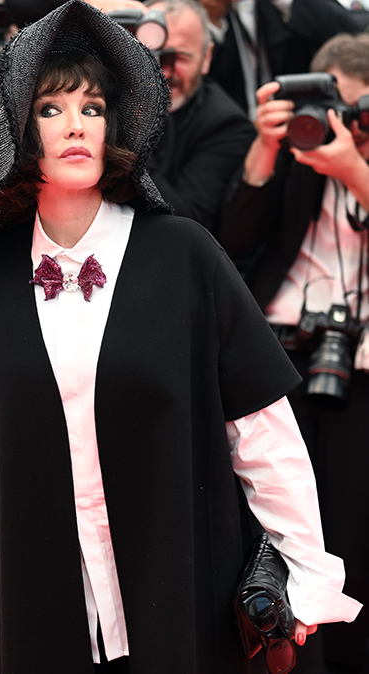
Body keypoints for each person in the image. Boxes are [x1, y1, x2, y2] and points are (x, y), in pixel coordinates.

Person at [0, 2, 361, 673]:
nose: (75, 126)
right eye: (51, 108)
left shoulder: (186, 255)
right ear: (21, 131)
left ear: (114, 125)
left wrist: (306, 571)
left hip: (182, 601)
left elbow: (264, 437)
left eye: (92, 109)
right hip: (37, 612)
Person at [219, 31, 369, 674]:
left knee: (353, 526)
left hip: (360, 368)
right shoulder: (292, 156)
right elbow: (232, 241)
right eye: (334, 106)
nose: (344, 124)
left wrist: (354, 170)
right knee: (286, 528)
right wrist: (267, 145)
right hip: (282, 356)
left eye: (359, 110)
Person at [143, 0, 256, 233]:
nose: (164, 71)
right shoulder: (106, 97)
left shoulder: (227, 126)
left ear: (206, 58)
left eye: (180, 57)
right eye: (153, 54)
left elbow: (187, 223)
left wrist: (130, 136)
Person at [203, 0, 369, 120]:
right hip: (233, 127)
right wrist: (212, 19)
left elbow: (351, 36)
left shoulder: (279, 7)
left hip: (304, 121)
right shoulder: (206, 11)